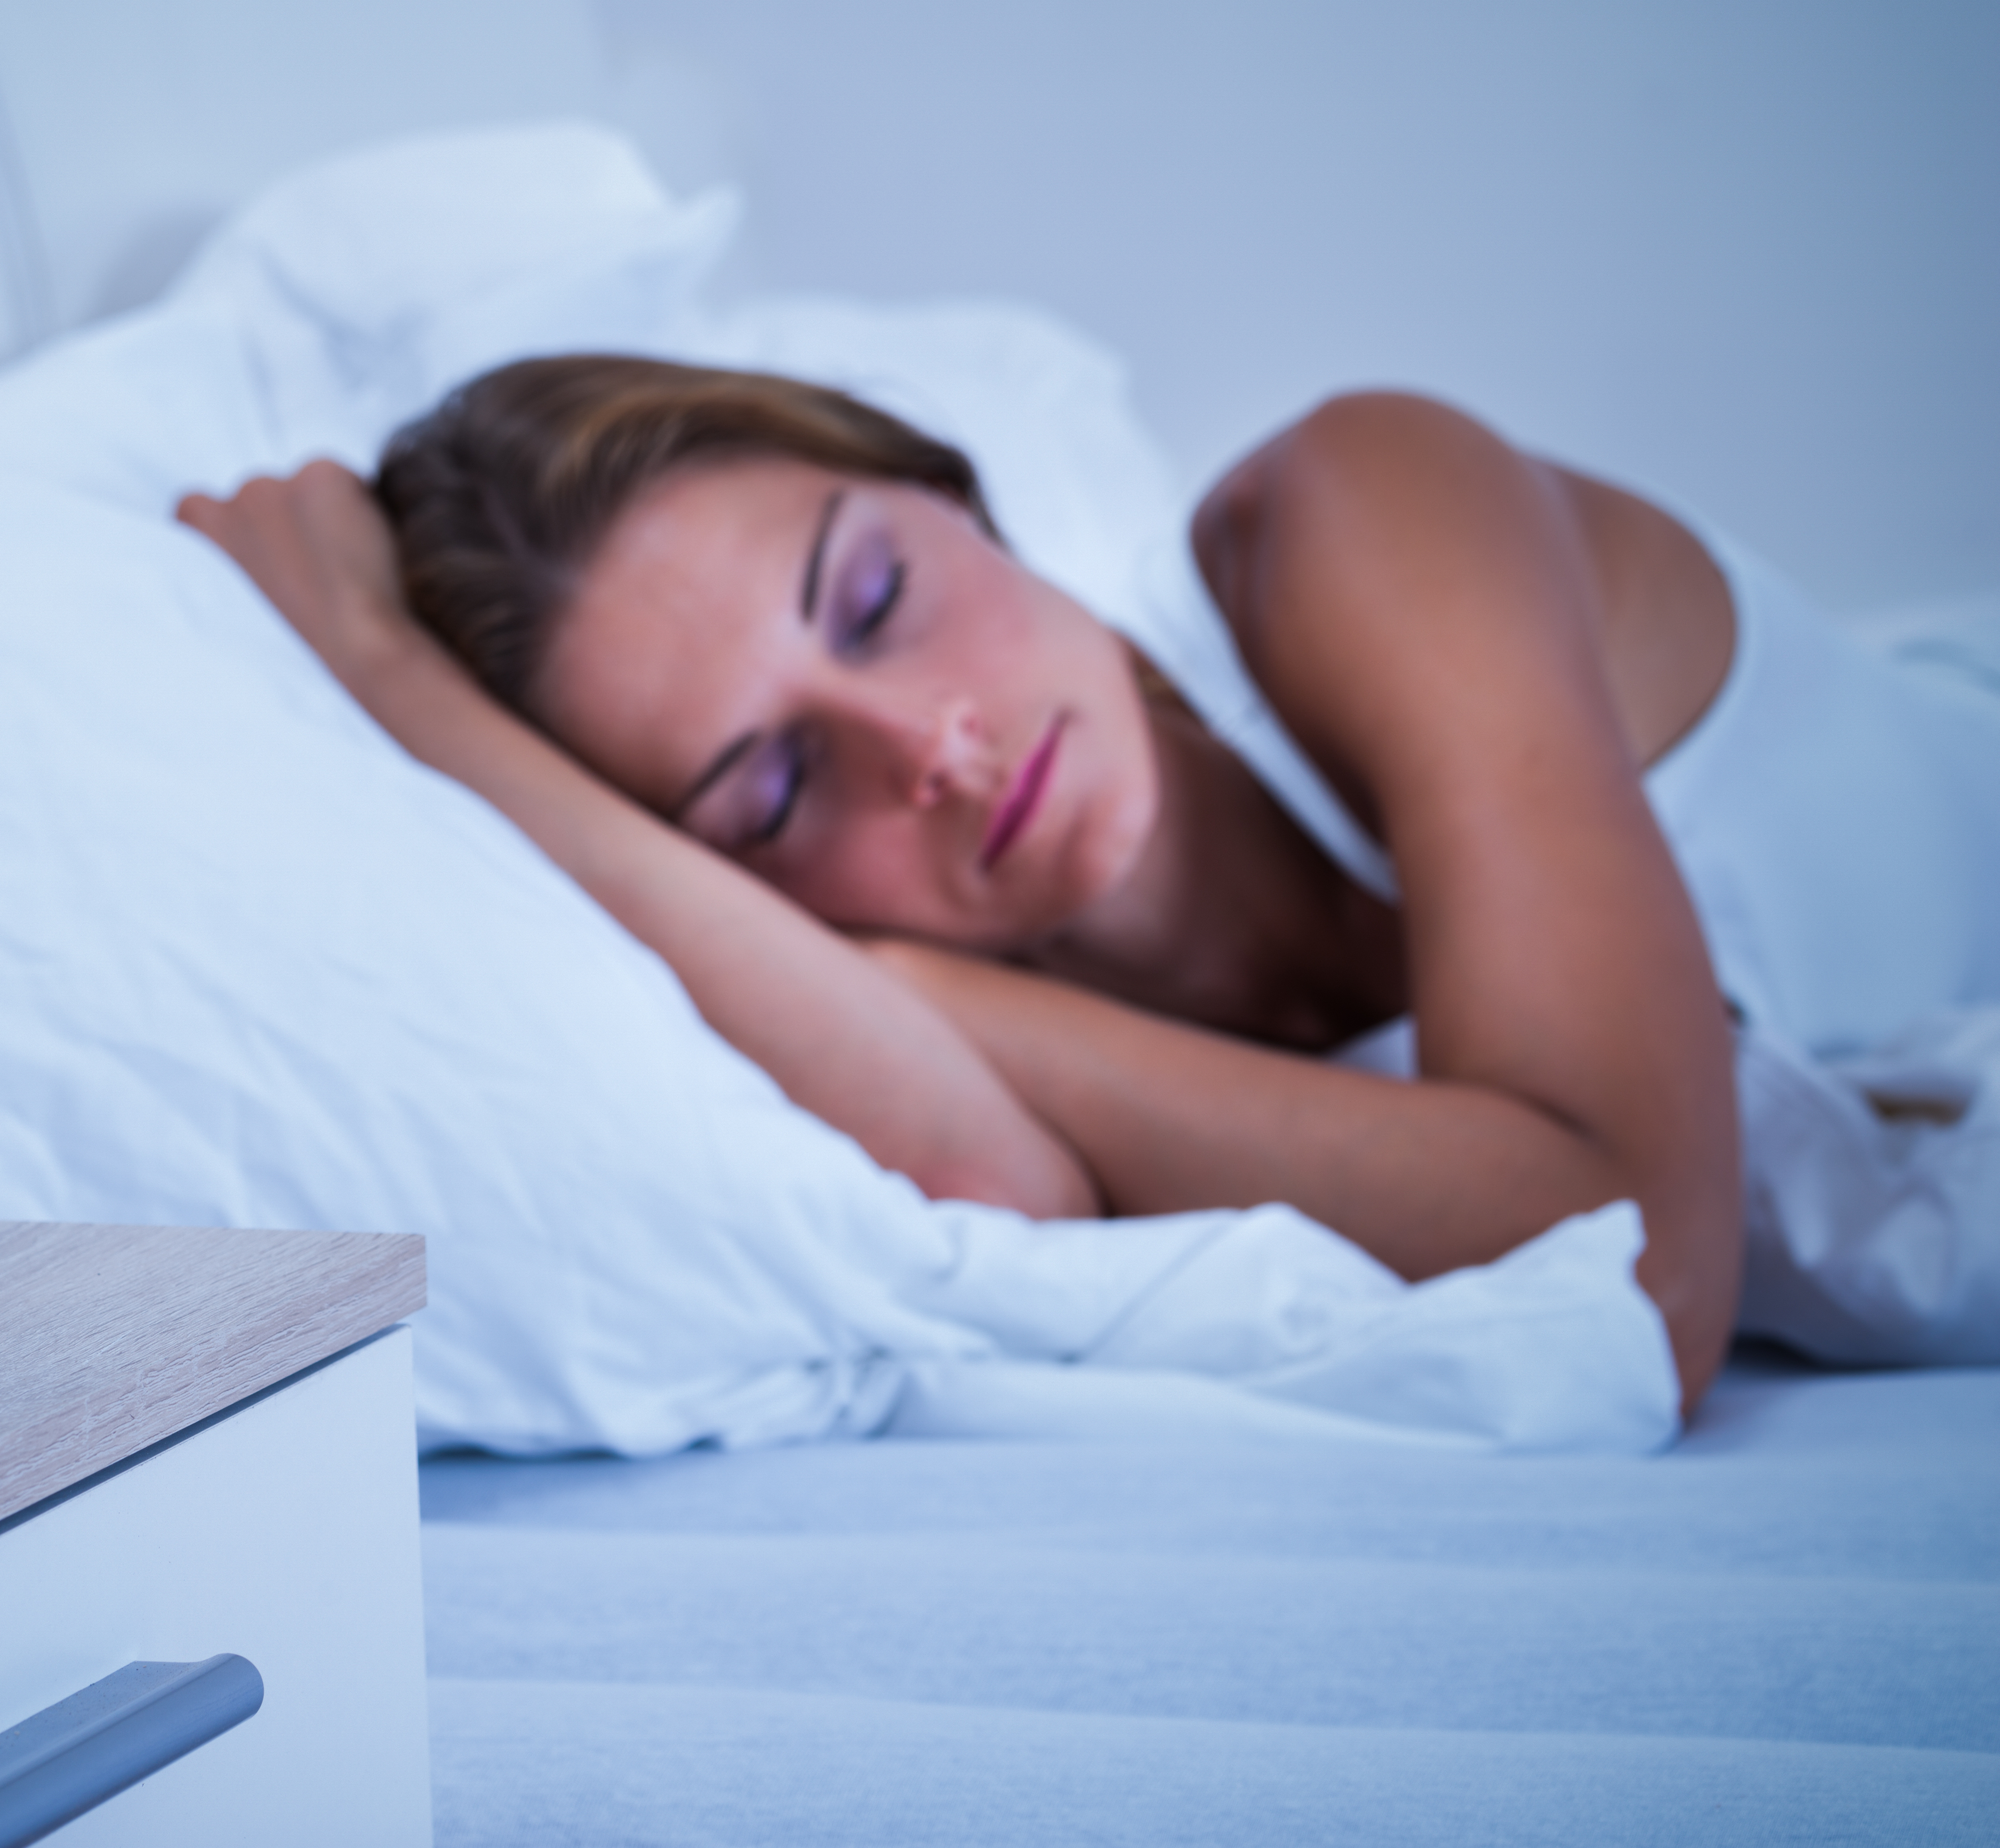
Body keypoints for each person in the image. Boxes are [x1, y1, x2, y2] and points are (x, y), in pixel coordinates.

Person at [179, 357, 2000, 1412]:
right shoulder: (937, 994)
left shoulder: (1357, 511)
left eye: (876, 595)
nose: (937, 750)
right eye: (777, 781)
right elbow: (1001, 1180)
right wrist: (401, 697)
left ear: (946, 487)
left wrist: (960, 995)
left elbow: (1637, 1271)